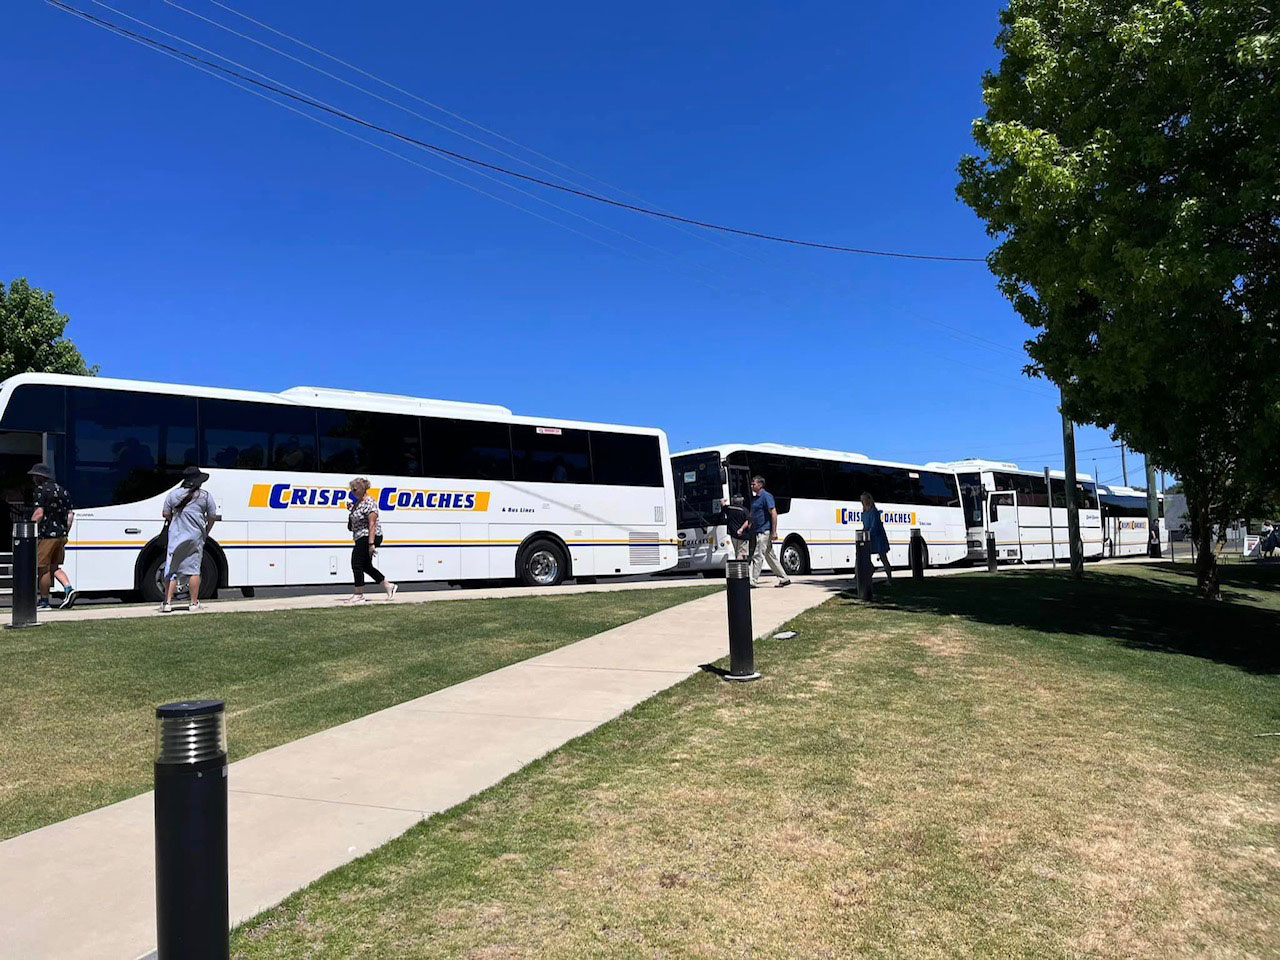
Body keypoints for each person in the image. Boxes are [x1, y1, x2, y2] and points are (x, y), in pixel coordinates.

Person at [161, 466, 218, 613]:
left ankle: (167, 603)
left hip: (176, 537)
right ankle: (193, 603)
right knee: (193, 570)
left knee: (172, 569)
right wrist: (205, 532)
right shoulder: (205, 496)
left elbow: (166, 514)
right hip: (195, 537)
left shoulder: (173, 495)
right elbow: (212, 517)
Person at [29, 463, 77, 610]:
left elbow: (39, 513)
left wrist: (28, 527)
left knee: (42, 568)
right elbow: (70, 515)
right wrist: (65, 532)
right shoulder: (63, 491)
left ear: (39, 477)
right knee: (55, 567)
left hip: (47, 535)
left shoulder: (40, 490)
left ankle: (44, 602)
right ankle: (69, 589)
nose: (33, 479)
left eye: (34, 476)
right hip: (61, 535)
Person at [344, 477, 397, 603]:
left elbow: (372, 524)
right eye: (351, 489)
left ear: (363, 489)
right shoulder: (357, 504)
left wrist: (371, 544)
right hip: (360, 536)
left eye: (355, 489)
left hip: (369, 536)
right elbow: (351, 526)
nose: (352, 491)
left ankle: (359, 594)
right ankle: (388, 585)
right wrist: (351, 511)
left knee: (356, 562)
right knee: (366, 566)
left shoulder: (370, 502)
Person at [748, 475, 791, 588]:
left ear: (760, 485)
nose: (752, 485)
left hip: (764, 530)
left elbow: (773, 513)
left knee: (758, 554)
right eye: (752, 483)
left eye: (754, 483)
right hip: (757, 530)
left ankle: (752, 580)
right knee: (770, 555)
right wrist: (748, 526)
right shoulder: (755, 499)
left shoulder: (766, 496)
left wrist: (774, 531)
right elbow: (753, 515)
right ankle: (784, 578)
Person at [860, 492, 893, 583]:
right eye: (861, 500)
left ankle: (889, 578)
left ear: (869, 500)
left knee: (883, 557)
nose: (862, 502)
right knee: (864, 555)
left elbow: (874, 526)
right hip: (870, 538)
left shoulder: (874, 512)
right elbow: (865, 526)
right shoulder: (864, 513)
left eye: (864, 499)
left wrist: (868, 533)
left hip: (878, 538)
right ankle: (867, 573)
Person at [723, 495, 753, 561]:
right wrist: (741, 529)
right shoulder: (744, 510)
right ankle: (741, 568)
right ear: (741, 501)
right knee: (741, 553)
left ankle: (739, 566)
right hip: (743, 535)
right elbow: (748, 521)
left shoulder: (729, 509)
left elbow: (723, 506)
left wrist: (723, 501)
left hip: (733, 535)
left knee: (737, 552)